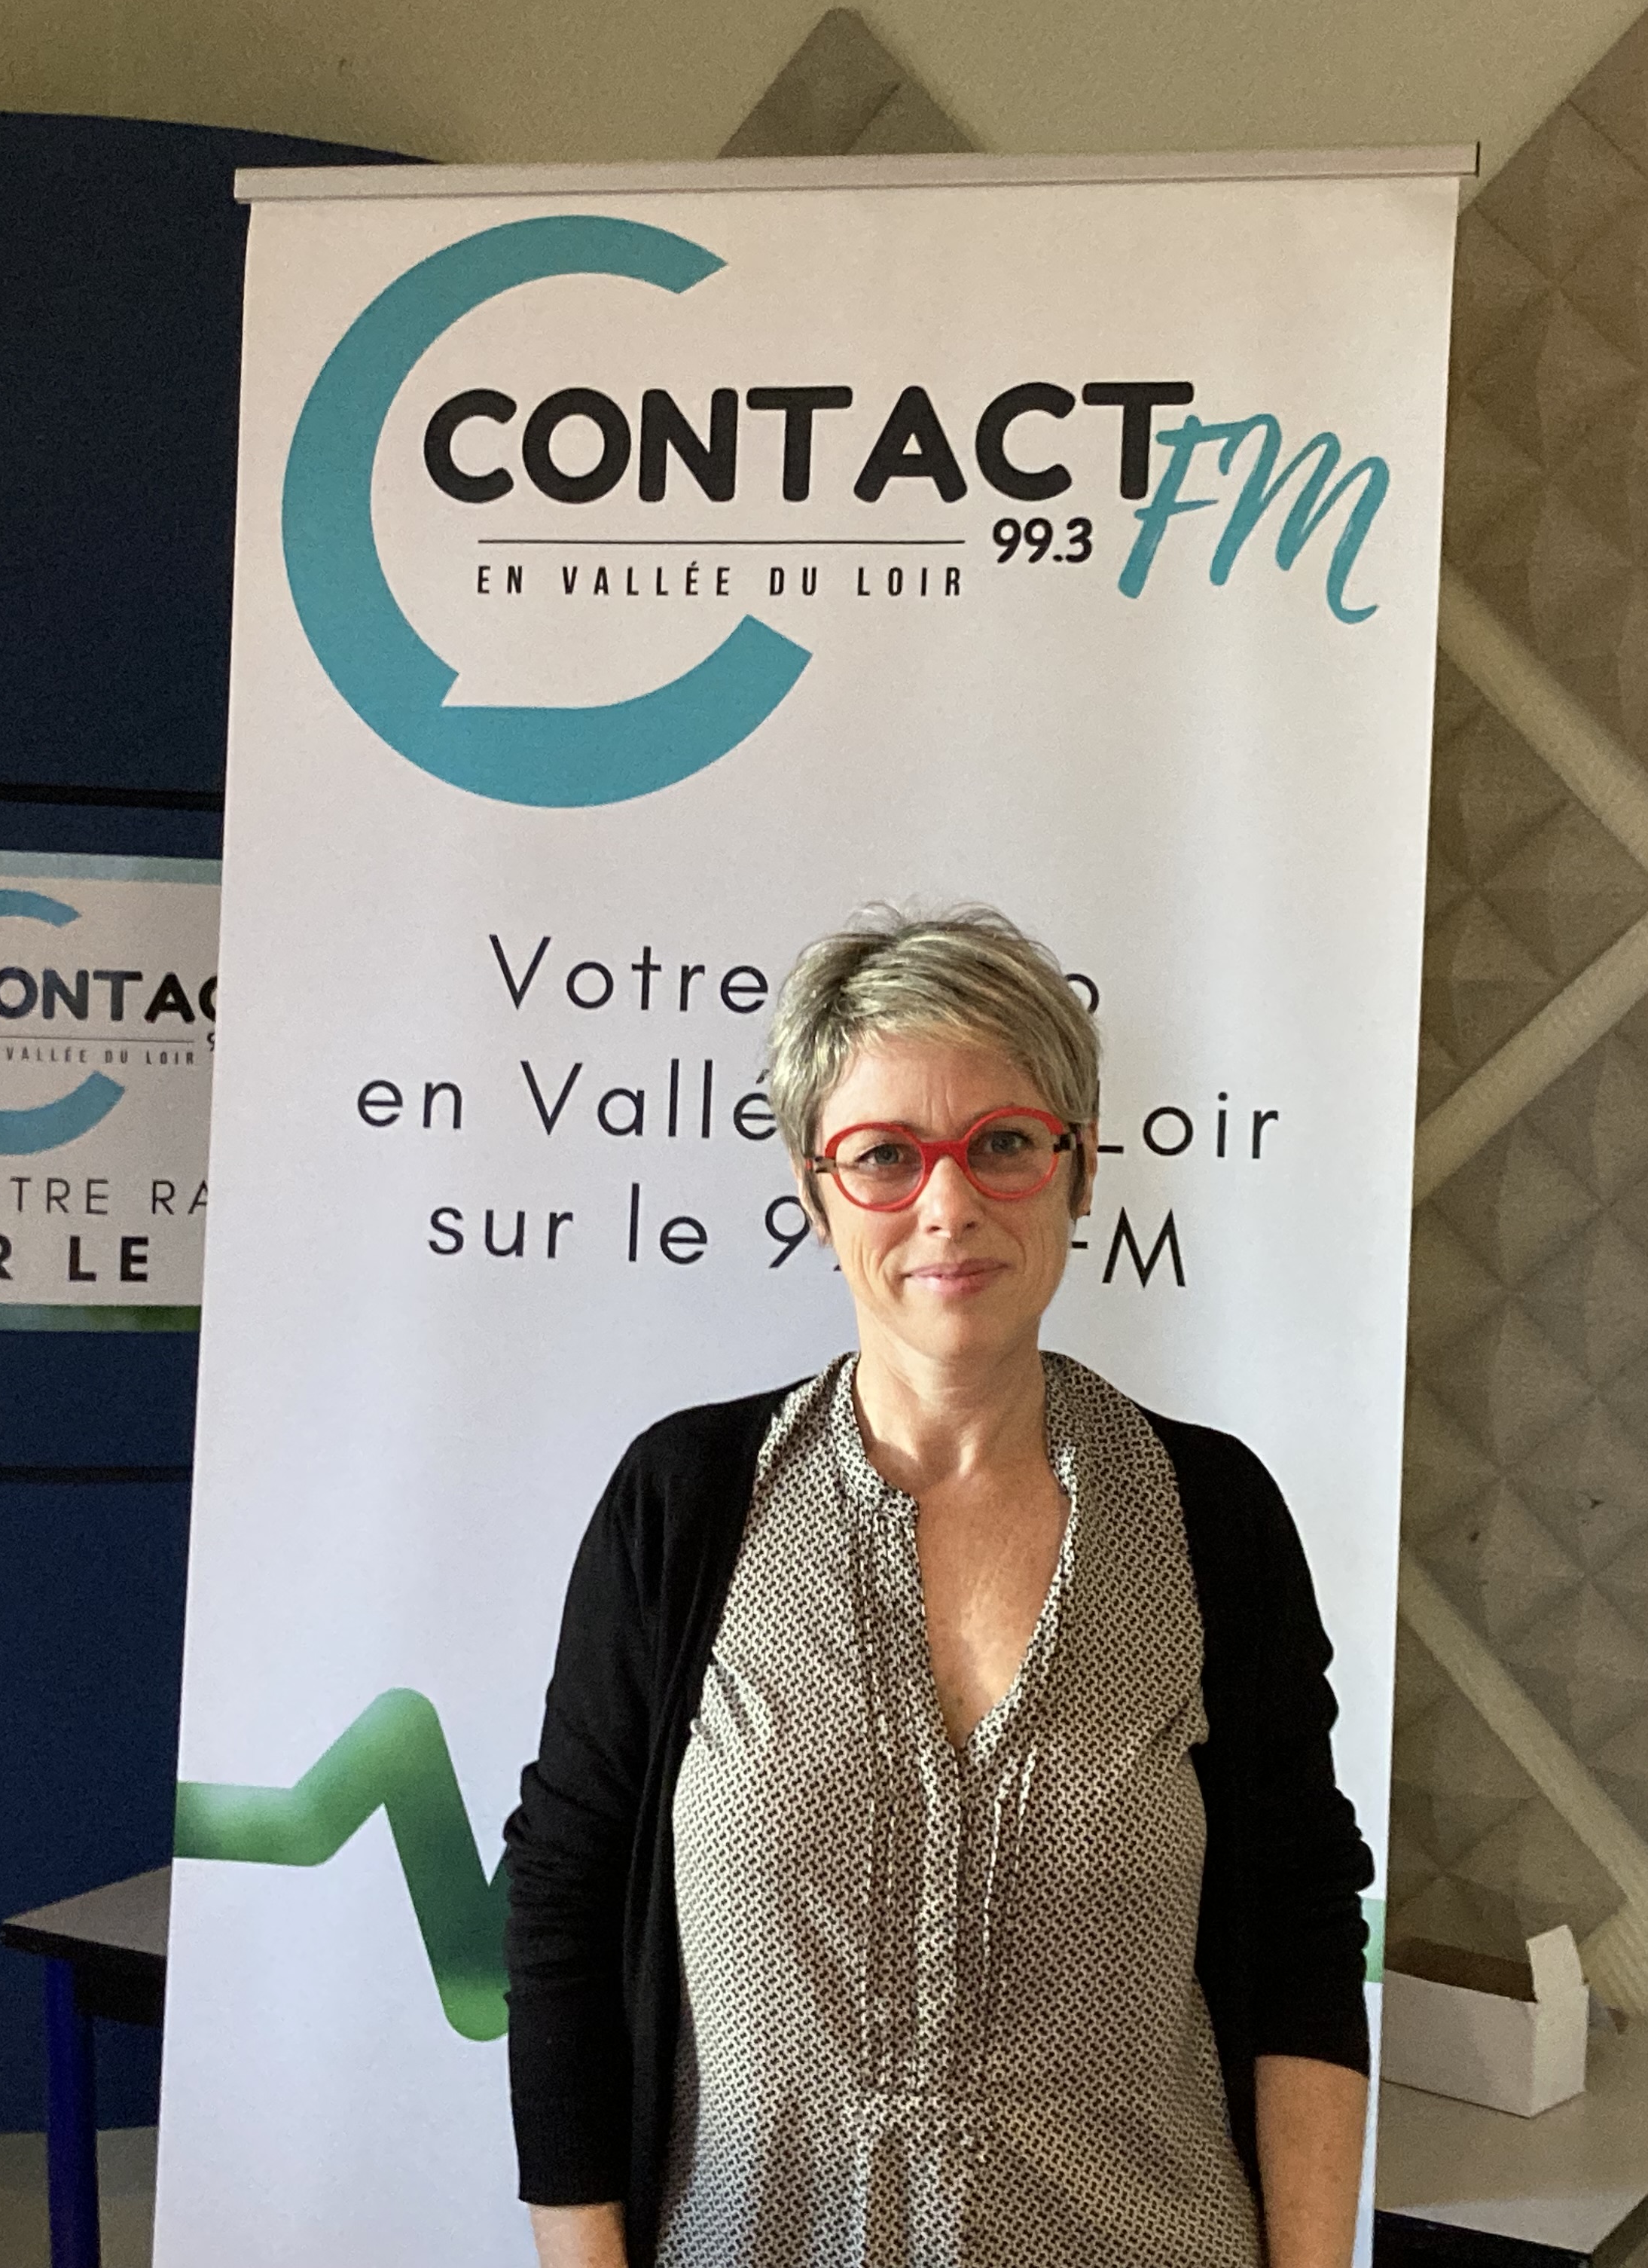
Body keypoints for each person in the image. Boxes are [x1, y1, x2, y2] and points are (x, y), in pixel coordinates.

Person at [504, 906, 1375, 2268]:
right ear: (817, 1194)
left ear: (1080, 1173)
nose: (949, 1205)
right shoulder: (686, 1504)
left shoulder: (1211, 1515)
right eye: (886, 1156)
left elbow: (1304, 1921)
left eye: (1005, 1144)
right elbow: (562, 1902)